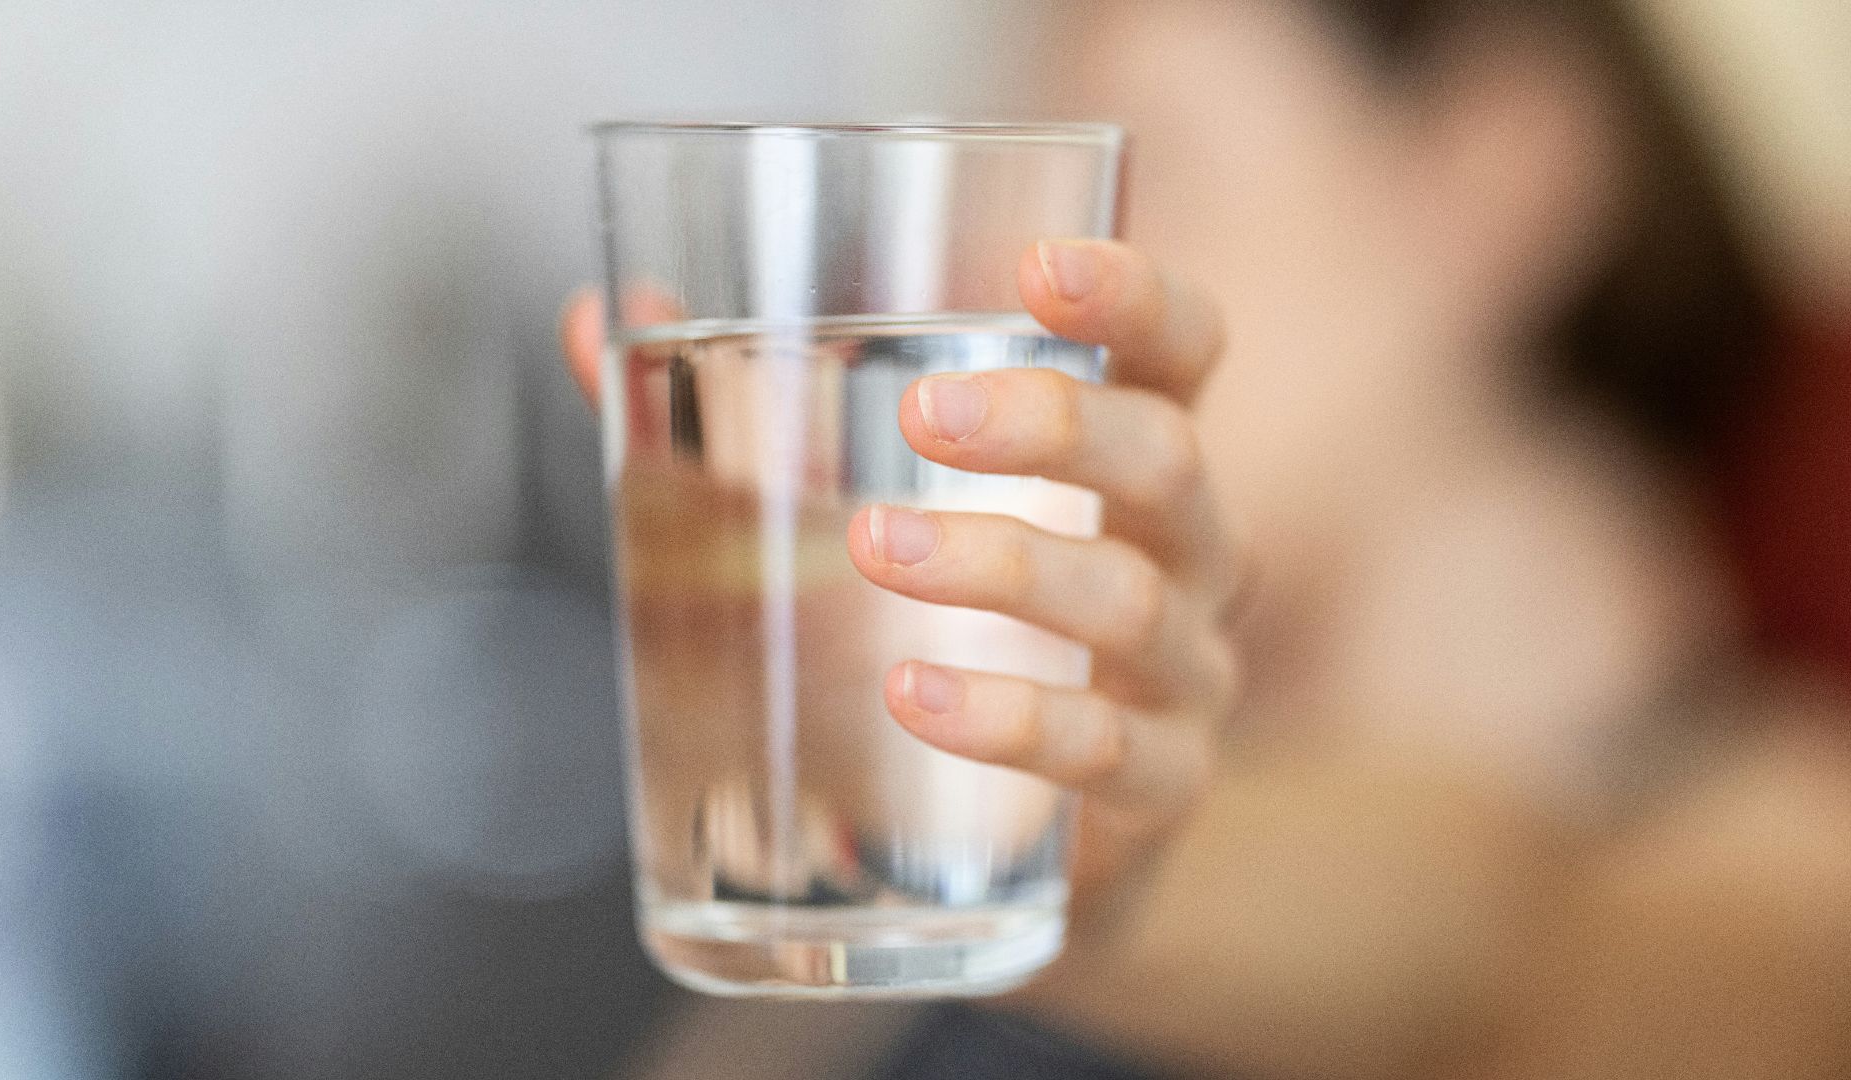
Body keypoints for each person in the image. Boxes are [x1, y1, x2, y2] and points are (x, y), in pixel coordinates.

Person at [563, 1, 1851, 1076]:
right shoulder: (952, 836)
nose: (989, 271)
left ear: (1497, 161)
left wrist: (1107, 885)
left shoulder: (1771, 843)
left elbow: (1528, 945)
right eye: (991, 188)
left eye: (1139, 165)